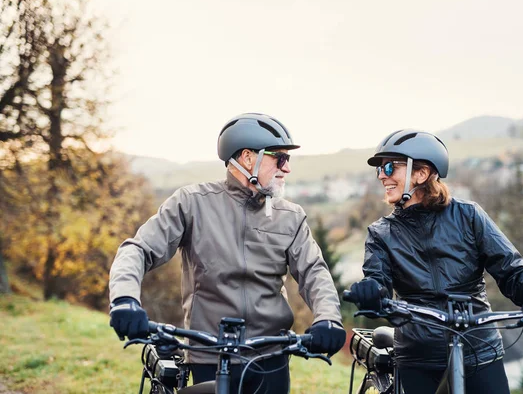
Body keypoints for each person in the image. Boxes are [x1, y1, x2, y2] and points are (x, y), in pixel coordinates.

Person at [108, 113, 345, 393]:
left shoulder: (290, 217)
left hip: (270, 357)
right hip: (209, 354)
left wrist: (328, 318)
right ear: (247, 158)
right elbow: (138, 249)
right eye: (279, 158)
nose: (287, 168)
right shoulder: (192, 203)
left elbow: (314, 273)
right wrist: (125, 300)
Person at [348, 129, 523, 394]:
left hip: (479, 350)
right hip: (418, 357)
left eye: (390, 167)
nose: (382, 175)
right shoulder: (381, 233)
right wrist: (371, 292)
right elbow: (379, 282)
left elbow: (512, 273)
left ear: (421, 174)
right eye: (379, 169)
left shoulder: (469, 216)